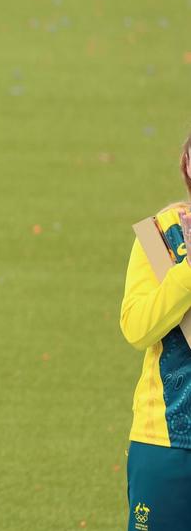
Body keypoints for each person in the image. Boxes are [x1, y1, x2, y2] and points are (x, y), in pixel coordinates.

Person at [120, 135, 191, 530]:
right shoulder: (157, 232)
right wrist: (187, 273)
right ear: (186, 163)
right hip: (166, 440)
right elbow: (137, 327)